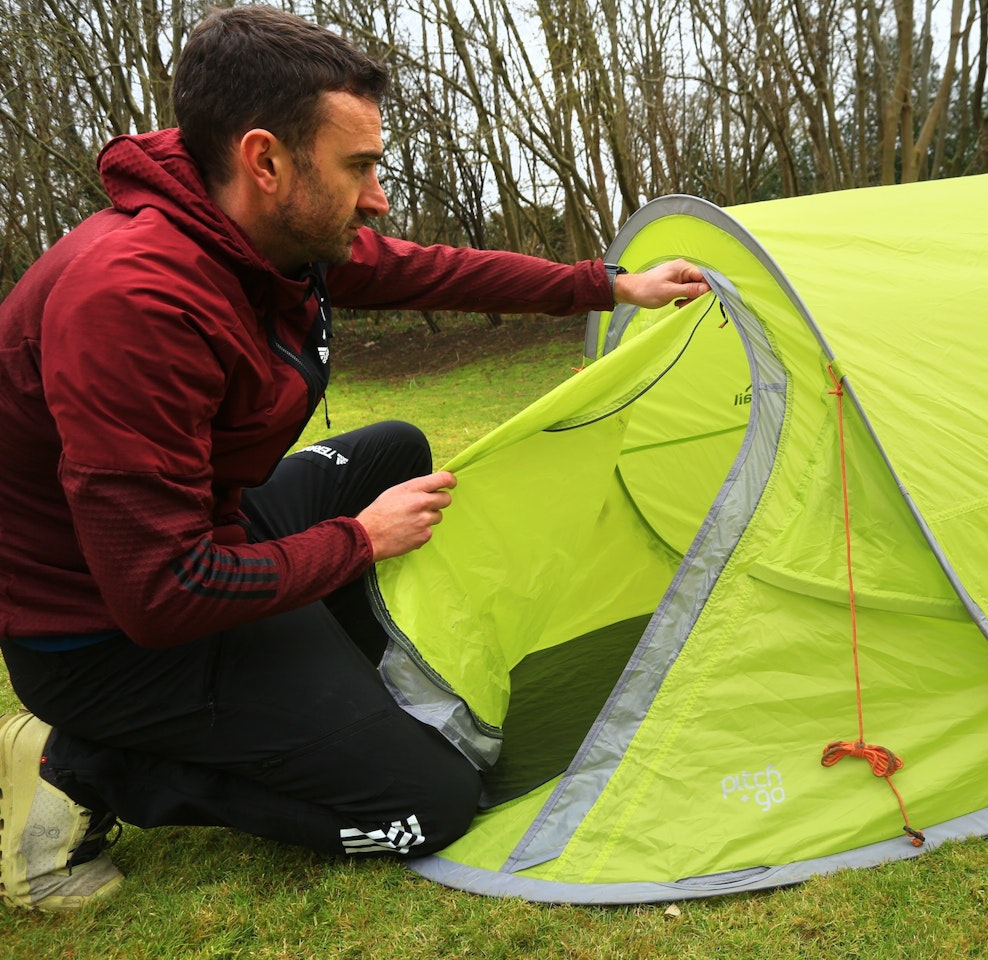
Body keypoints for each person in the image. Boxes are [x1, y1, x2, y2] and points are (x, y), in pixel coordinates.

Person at [0, 4, 709, 912]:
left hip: (210, 532)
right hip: (111, 637)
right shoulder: (131, 303)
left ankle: (331, 695)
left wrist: (607, 284)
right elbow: (160, 591)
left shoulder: (262, 236)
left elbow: (427, 267)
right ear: (266, 160)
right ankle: (85, 764)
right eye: (360, 167)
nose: (376, 194)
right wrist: (357, 542)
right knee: (431, 801)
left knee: (393, 450)